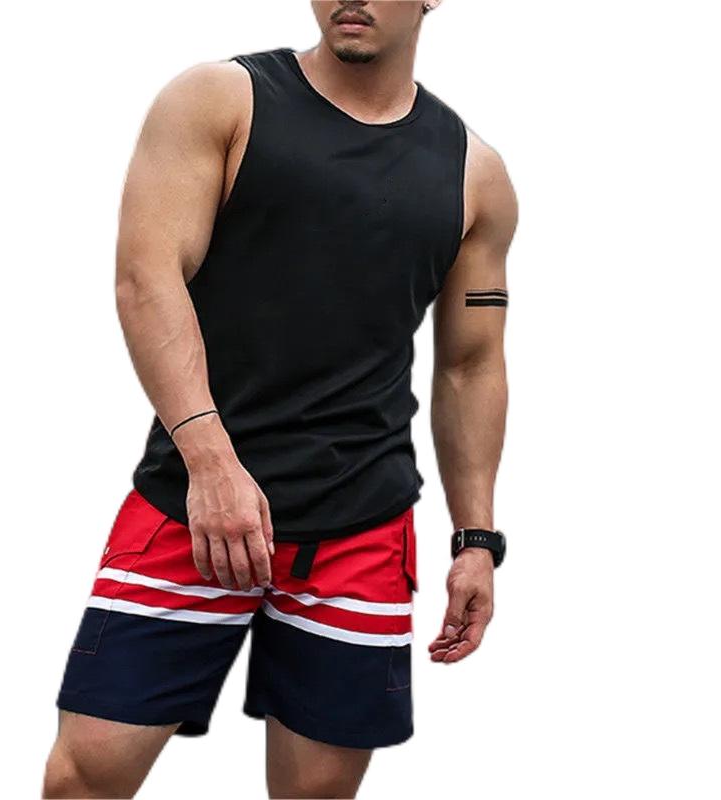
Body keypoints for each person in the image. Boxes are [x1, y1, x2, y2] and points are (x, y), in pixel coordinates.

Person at [43, 1, 517, 797]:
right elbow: (146, 280)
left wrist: (477, 538)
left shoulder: (475, 174)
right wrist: (211, 465)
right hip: (191, 505)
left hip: (359, 525)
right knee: (85, 776)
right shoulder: (220, 101)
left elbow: (471, 364)